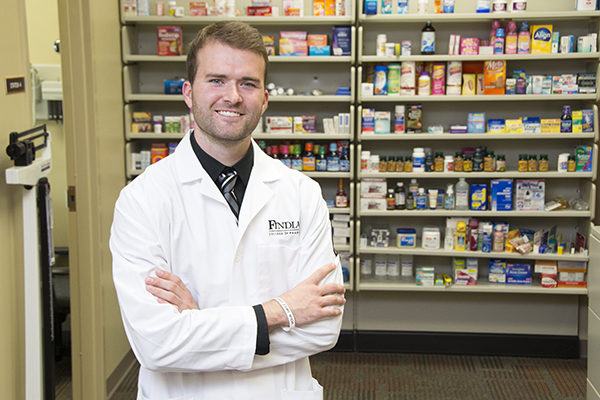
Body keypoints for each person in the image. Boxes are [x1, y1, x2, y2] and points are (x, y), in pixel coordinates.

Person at [110, 20, 346, 400]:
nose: (233, 96)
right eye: (216, 80)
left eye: (248, 83)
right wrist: (281, 311)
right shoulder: (142, 200)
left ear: (265, 99)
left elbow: (323, 329)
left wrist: (199, 324)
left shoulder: (301, 193)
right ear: (189, 93)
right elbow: (156, 345)